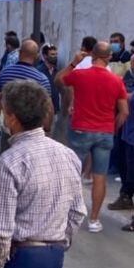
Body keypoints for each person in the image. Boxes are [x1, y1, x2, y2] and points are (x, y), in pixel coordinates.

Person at [0, 80, 86, 268]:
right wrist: (58, 241)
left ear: (12, 118)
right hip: (54, 254)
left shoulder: (9, 161)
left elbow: (1, 229)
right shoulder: (68, 155)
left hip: (21, 256)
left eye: (4, 111)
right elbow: (77, 211)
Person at [55, 41, 129, 233]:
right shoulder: (116, 81)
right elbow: (124, 111)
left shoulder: (80, 75)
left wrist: (73, 62)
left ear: (92, 55)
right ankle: (94, 220)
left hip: (80, 129)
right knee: (99, 177)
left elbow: (59, 80)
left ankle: (63, 216)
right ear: (109, 58)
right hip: (104, 132)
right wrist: (113, 126)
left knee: (72, 174)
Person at [0, 39, 52, 155]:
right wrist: (47, 126)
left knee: (6, 154)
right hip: (31, 126)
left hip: (9, 123)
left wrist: (1, 114)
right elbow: (48, 106)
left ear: (20, 53)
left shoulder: (5, 72)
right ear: (36, 56)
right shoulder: (41, 78)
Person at [109, 54, 134, 214]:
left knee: (131, 170)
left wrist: (121, 94)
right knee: (124, 166)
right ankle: (125, 196)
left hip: (131, 135)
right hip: (127, 132)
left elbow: (127, 97)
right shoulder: (127, 77)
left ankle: (126, 195)